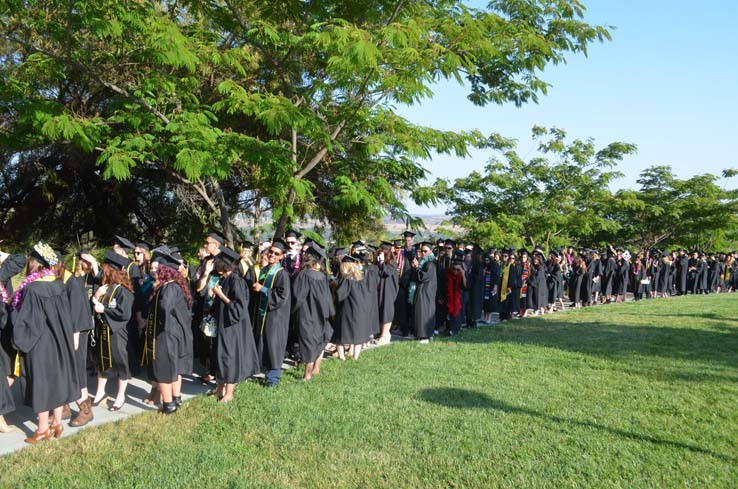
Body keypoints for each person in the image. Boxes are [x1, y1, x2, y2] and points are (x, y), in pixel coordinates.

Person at [12, 242, 79, 443]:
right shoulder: (58, 284)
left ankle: (42, 429)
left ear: (34, 263)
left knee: (41, 384)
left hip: (40, 345)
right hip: (58, 342)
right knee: (56, 383)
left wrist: (18, 336)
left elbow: (30, 323)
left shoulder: (33, 289)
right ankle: (57, 423)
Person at [142, 247, 193, 414]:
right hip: (175, 333)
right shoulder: (176, 285)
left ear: (165, 271)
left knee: (163, 369)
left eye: (158, 269)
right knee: (175, 368)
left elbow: (164, 307)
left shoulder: (168, 287)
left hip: (166, 334)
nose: (155, 272)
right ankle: (176, 398)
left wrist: (159, 322)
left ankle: (168, 405)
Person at [210, 247, 260, 402]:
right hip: (224, 324)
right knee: (219, 355)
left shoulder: (237, 281)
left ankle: (229, 393)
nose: (215, 264)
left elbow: (239, 308)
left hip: (233, 327)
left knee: (229, 357)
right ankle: (219, 388)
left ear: (223, 264)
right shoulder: (225, 278)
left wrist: (221, 296)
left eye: (217, 262)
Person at [90, 250, 134, 412]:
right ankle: (100, 392)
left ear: (110, 271)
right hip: (104, 330)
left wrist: (105, 309)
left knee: (120, 362)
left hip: (117, 333)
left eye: (104, 269)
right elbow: (95, 306)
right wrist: (96, 295)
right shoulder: (104, 287)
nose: (102, 272)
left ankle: (121, 395)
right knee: (103, 361)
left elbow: (125, 313)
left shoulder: (124, 290)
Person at [55, 251, 95, 427]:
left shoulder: (72, 282)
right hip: (67, 332)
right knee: (64, 371)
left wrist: (75, 337)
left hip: (77, 333)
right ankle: (64, 407)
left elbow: (78, 311)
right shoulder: (62, 280)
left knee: (77, 370)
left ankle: (85, 410)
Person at [252, 238, 291, 387]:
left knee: (273, 345)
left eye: (276, 253)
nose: (272, 255)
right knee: (265, 343)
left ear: (281, 256)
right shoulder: (265, 270)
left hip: (276, 316)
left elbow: (282, 296)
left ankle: (273, 379)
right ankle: (264, 371)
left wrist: (262, 289)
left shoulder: (282, 274)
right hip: (264, 313)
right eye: (271, 252)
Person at [292, 244, 334, 380]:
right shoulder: (322, 276)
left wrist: (292, 310)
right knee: (318, 339)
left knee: (308, 342)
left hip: (307, 314)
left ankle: (307, 375)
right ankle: (316, 368)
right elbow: (328, 298)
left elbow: (298, 297)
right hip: (321, 314)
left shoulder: (304, 275)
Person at [334, 255, 370, 359]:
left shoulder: (345, 279)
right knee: (358, 333)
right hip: (360, 309)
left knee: (340, 332)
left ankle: (342, 357)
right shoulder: (361, 279)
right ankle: (355, 357)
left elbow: (340, 294)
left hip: (347, 309)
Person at [411, 242, 437, 343]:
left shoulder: (431, 263)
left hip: (426, 292)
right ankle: (422, 334)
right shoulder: (425, 262)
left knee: (425, 313)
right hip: (423, 290)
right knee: (421, 312)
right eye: (422, 251)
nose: (423, 253)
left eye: (425, 251)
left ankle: (425, 335)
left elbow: (423, 277)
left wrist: (417, 267)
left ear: (430, 251)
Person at [376, 242, 398, 345]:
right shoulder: (381, 263)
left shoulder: (392, 263)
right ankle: (381, 333)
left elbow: (386, 272)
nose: (380, 253)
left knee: (386, 312)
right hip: (380, 292)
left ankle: (385, 335)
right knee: (380, 311)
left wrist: (381, 262)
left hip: (388, 292)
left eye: (382, 252)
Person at [446, 255, 466, 336]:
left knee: (457, 314)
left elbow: (465, 286)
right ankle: (450, 328)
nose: (455, 271)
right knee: (449, 313)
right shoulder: (447, 274)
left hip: (459, 298)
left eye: (458, 270)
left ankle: (455, 330)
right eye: (454, 269)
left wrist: (463, 275)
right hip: (449, 297)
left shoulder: (462, 275)